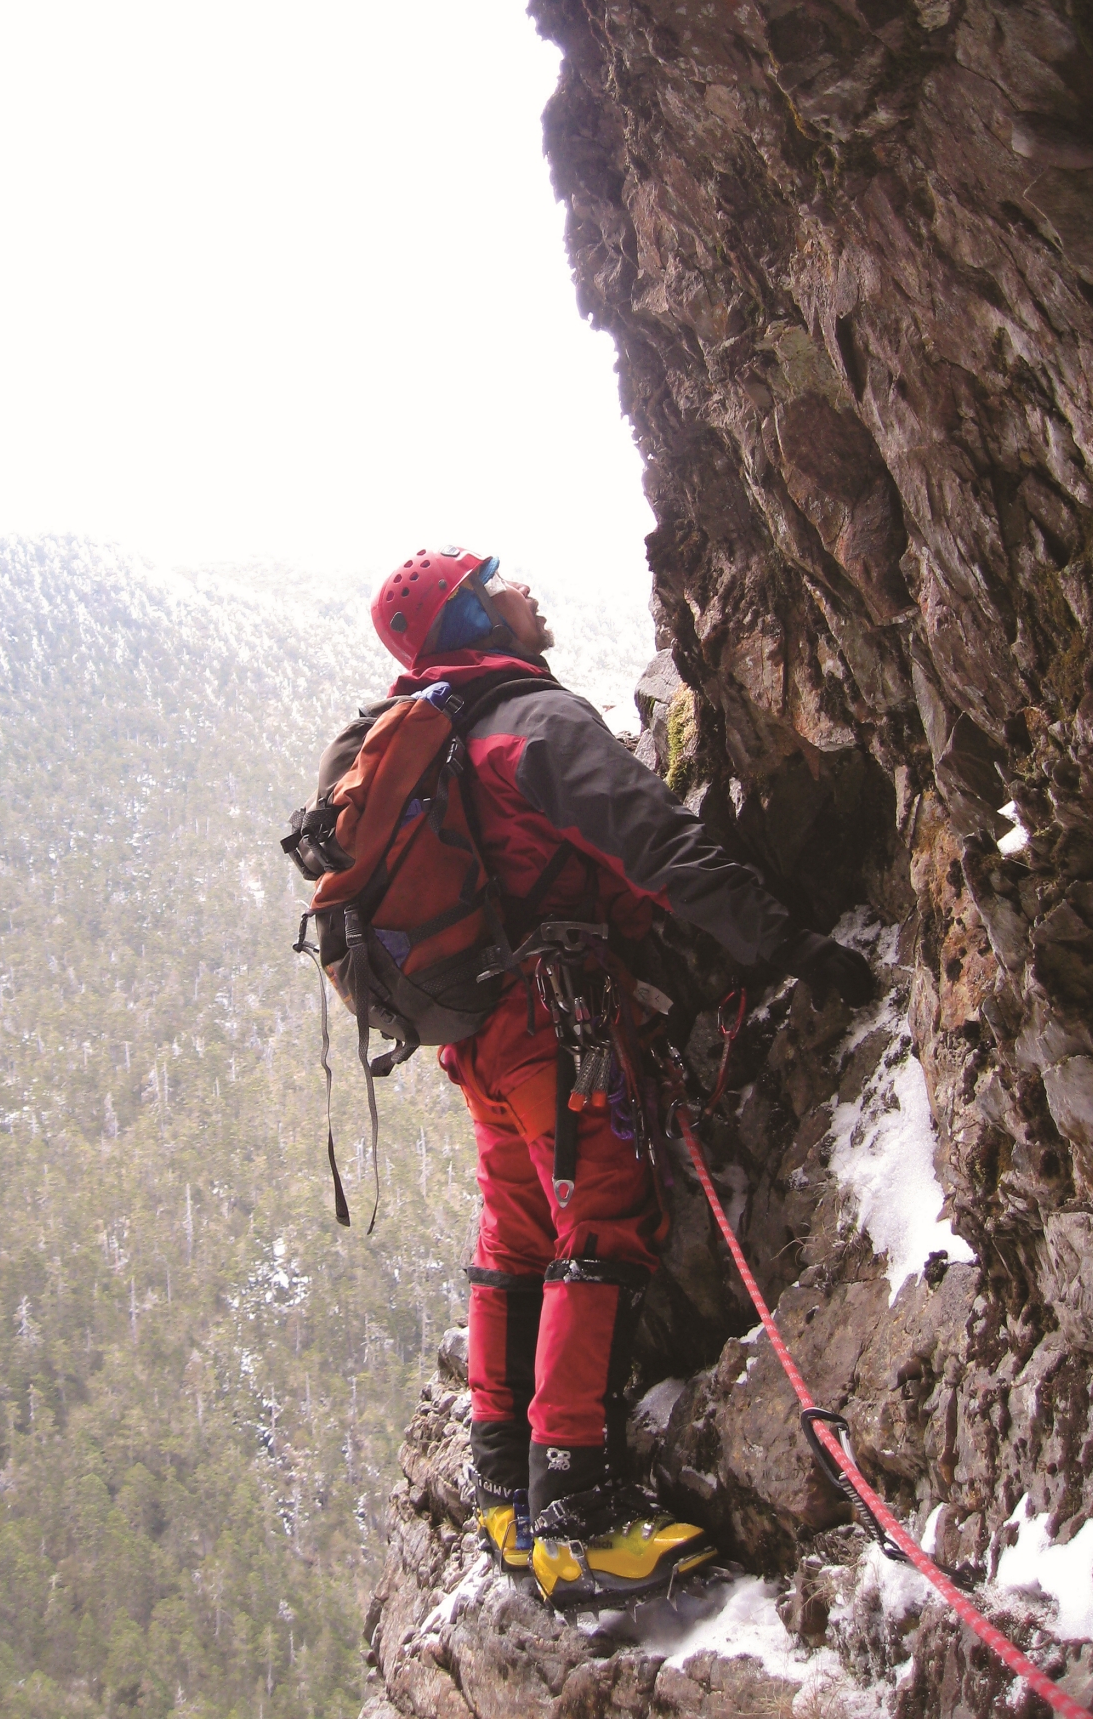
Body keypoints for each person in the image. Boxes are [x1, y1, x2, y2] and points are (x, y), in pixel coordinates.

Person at [366, 546, 873, 1609]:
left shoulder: (440, 736)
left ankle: (506, 1484)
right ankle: (577, 1515)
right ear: (470, 619)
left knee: (517, 1231)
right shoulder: (529, 725)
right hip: (556, 1019)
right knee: (604, 1217)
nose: (524, 586)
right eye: (496, 579)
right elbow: (657, 844)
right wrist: (784, 944)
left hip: (482, 1035)